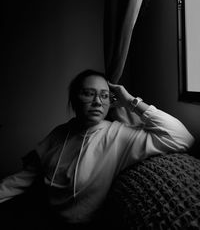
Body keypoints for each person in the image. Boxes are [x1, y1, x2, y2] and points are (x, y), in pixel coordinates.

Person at [0, 69, 194, 230]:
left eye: (104, 95)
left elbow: (181, 137)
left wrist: (131, 102)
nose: (97, 102)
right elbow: (24, 178)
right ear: (74, 99)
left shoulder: (119, 135)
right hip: (39, 214)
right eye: (89, 93)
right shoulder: (60, 133)